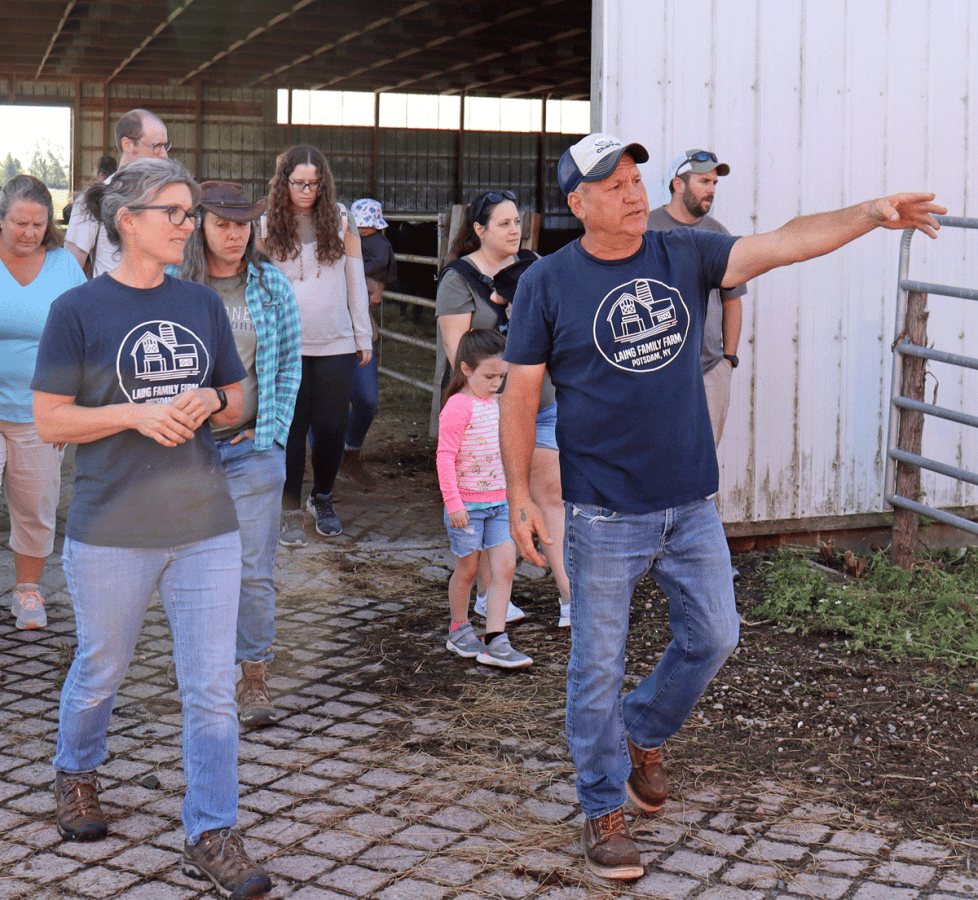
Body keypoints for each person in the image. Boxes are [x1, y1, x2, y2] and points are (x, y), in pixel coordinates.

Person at [499, 132, 944, 881]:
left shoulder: (685, 254)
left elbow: (783, 244)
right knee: (595, 667)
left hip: (690, 504)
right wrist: (518, 496)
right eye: (614, 186)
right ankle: (604, 807)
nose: (634, 194)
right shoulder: (548, 283)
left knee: (716, 637)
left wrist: (870, 212)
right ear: (578, 204)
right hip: (604, 513)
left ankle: (643, 728)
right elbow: (517, 396)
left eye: (637, 179)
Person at [31, 158, 272, 899]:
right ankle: (76, 772)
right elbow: (48, 420)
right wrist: (133, 412)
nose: (187, 224)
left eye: (189, 212)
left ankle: (211, 829)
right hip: (110, 528)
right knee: (102, 665)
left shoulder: (200, 305)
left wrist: (209, 401)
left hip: (204, 522)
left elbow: (239, 397)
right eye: (173, 211)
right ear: (126, 221)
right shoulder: (78, 309)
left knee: (210, 687)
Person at [171, 181, 301, 728]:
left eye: (243, 224)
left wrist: (270, 431)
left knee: (252, 568)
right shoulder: (174, 283)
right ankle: (201, 675)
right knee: (187, 565)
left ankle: (253, 677)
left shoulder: (270, 284)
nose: (233, 234)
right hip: (187, 451)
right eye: (222, 223)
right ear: (200, 224)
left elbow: (290, 365)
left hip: (252, 449)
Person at [433, 190, 571, 628]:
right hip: (487, 412)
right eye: (504, 224)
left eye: (517, 222)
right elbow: (463, 359)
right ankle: (490, 597)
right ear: (479, 230)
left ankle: (571, 599)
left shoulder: (533, 264)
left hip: (542, 402)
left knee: (550, 495)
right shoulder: (457, 280)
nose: (515, 230)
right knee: (492, 499)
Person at [262, 145, 372, 543]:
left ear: (324, 183)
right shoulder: (266, 225)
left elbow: (355, 281)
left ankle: (321, 497)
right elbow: (258, 284)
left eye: (313, 183)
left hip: (336, 340)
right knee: (291, 429)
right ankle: (289, 507)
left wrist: (364, 335)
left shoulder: (342, 220)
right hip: (286, 342)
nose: (306, 191)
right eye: (298, 183)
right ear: (284, 183)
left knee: (330, 427)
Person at [0, 175, 85, 629]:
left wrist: (67, 406)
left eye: (38, 224)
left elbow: (80, 336)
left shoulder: (64, 267)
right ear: (1, 219)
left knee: (35, 502)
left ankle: (28, 591)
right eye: (19, 223)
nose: (29, 232)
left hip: (38, 410)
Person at [437, 329, 531, 669]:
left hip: (500, 503)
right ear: (466, 369)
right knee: (468, 569)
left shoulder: (496, 404)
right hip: (468, 507)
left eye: (501, 376)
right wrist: (453, 503)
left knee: (504, 566)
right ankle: (460, 628)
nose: (496, 383)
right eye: (489, 376)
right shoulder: (457, 408)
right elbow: (445, 457)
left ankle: (496, 638)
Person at [648, 149, 746, 448]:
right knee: (657, 454)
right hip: (656, 368)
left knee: (704, 457)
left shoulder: (718, 234)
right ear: (679, 184)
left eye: (715, 183)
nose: (712, 190)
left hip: (709, 370)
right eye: (704, 181)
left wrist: (728, 360)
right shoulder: (646, 229)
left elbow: (732, 300)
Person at [65, 109, 170, 276]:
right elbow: (70, 270)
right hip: (108, 301)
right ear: (127, 145)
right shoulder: (94, 199)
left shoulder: (168, 198)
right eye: (156, 147)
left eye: (165, 146)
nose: (164, 155)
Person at [340, 198, 397, 491]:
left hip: (359, 333)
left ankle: (350, 452)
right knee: (317, 403)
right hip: (319, 336)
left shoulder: (365, 250)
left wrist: (375, 285)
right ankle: (326, 468)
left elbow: (375, 281)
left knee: (367, 399)